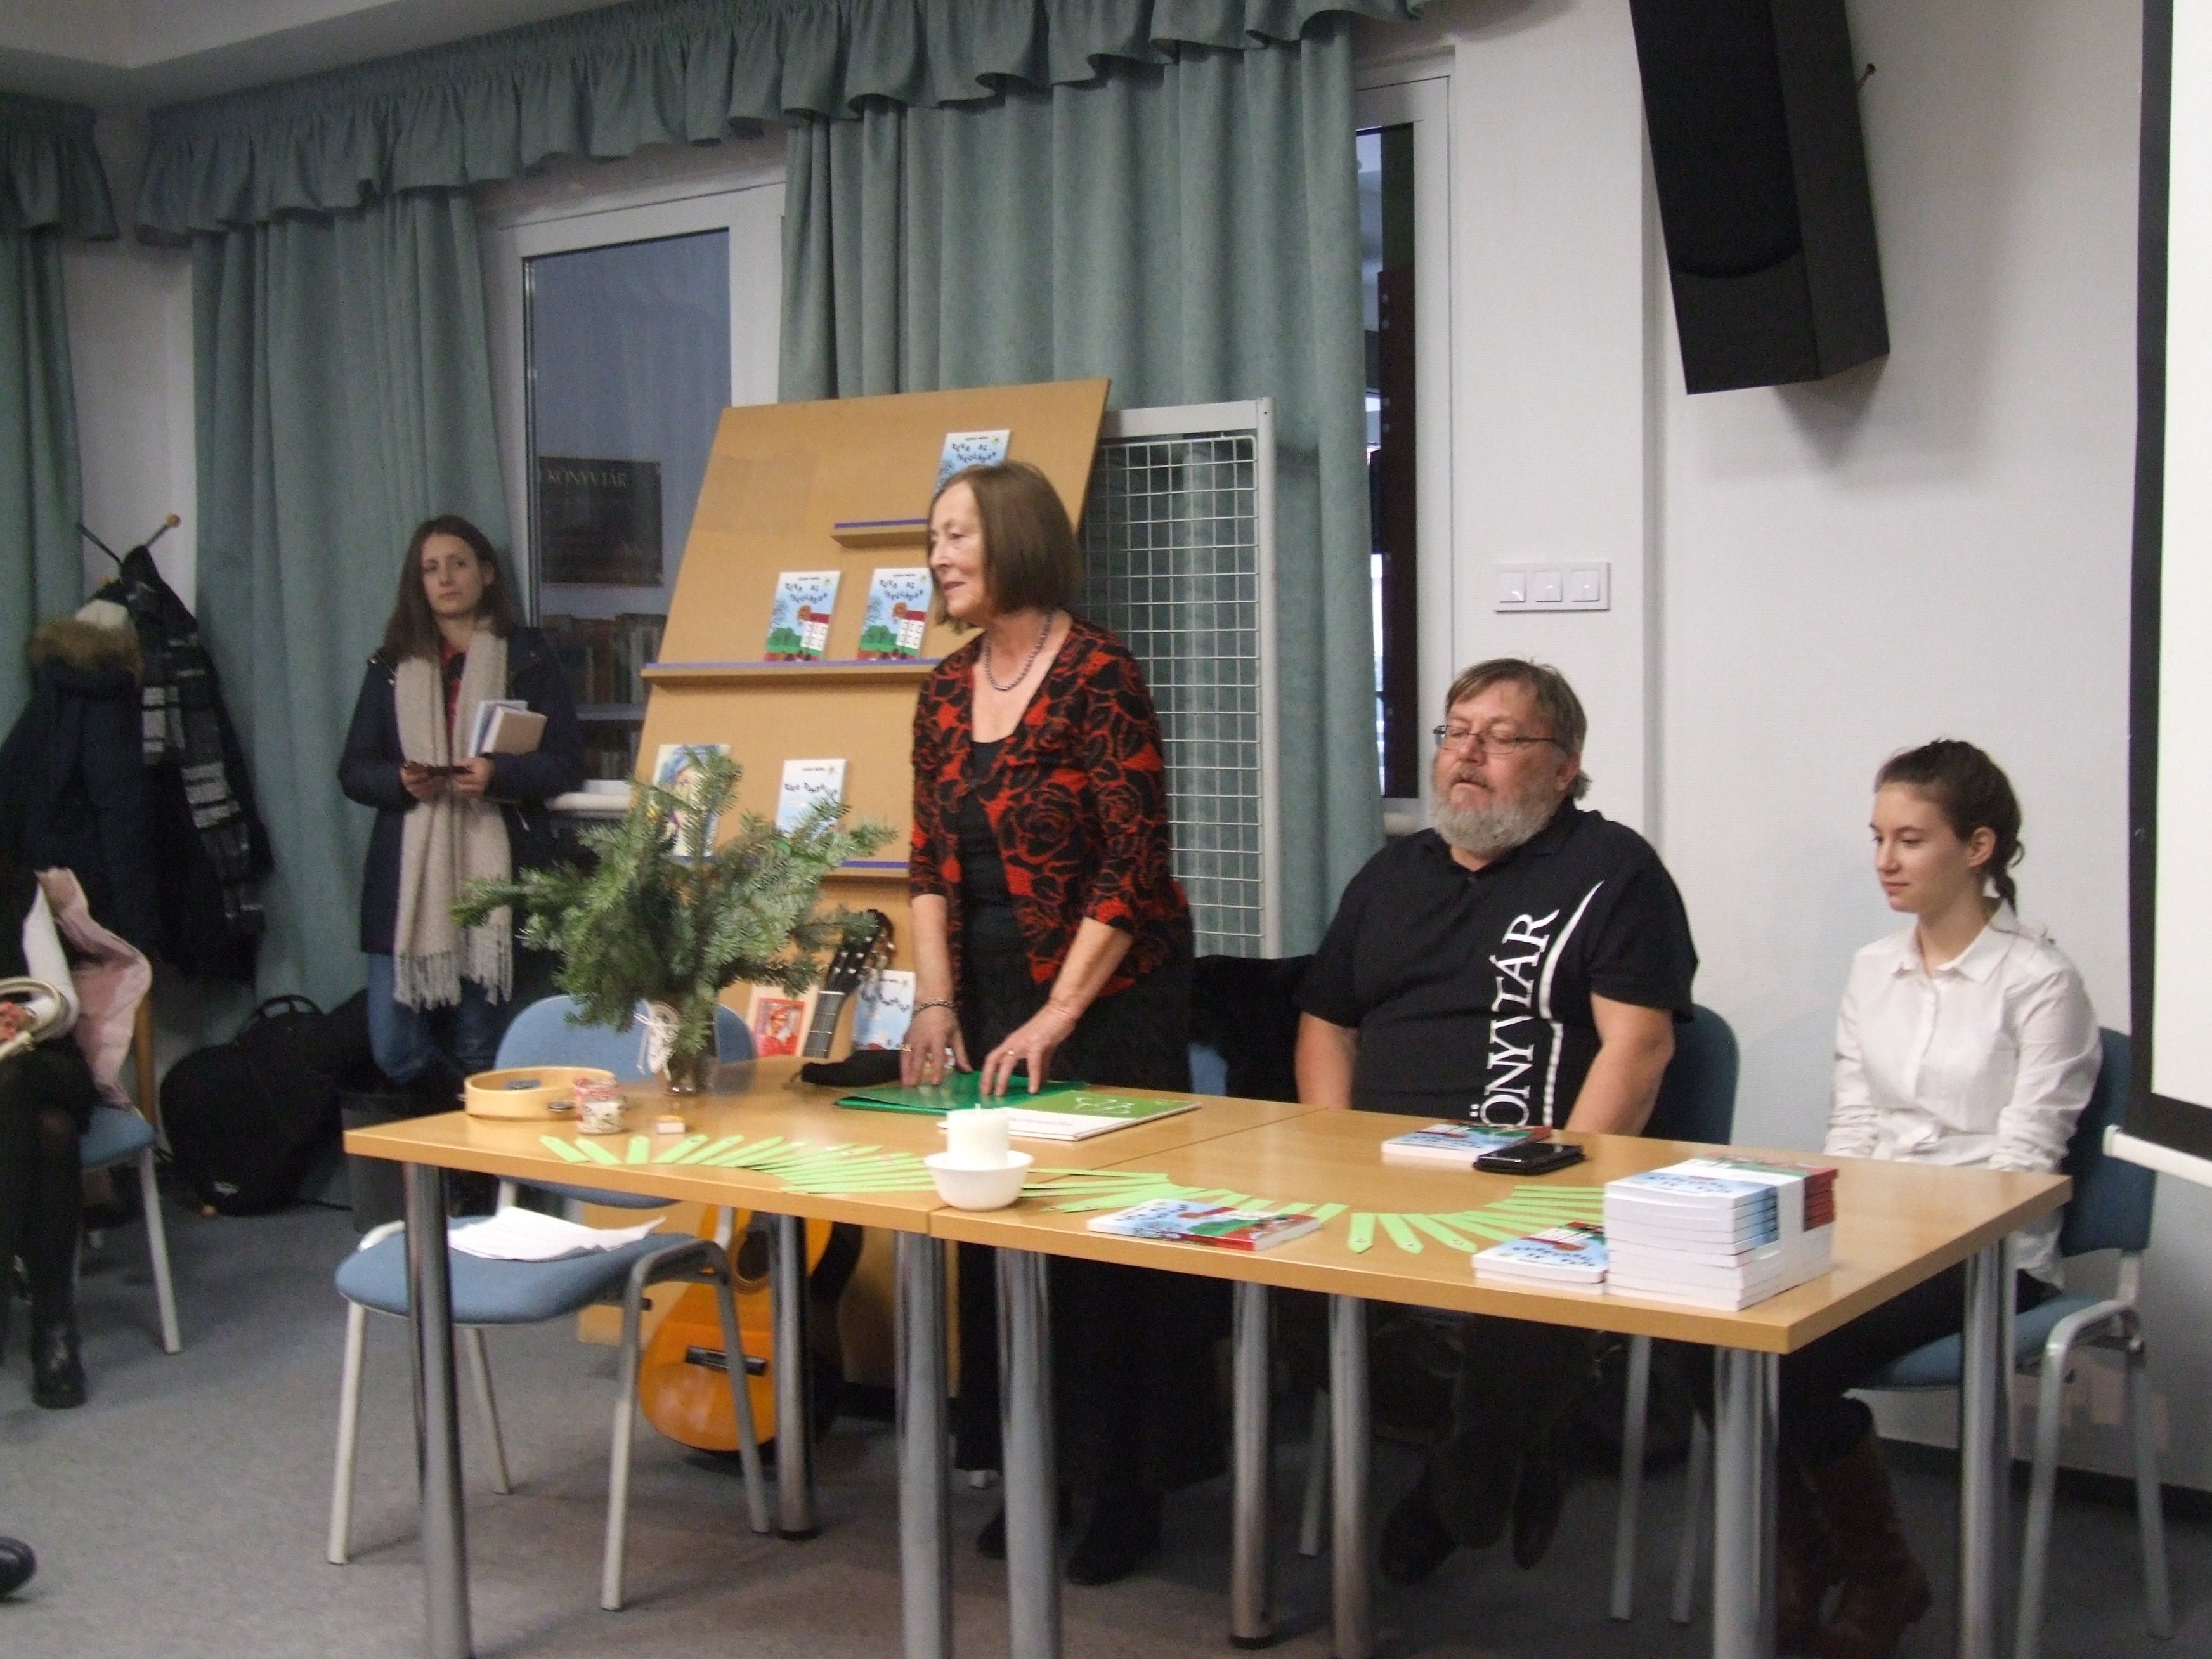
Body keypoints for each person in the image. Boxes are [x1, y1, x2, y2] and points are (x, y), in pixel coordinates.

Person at [1295, 658, 1698, 1584]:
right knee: (1276, 1296)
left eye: (1503, 737)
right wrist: (1330, 1152)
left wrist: (1565, 1179)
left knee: (1528, 1308)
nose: (1468, 753)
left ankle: (1465, 1483)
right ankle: (1514, 1438)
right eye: (1456, 732)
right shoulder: (1390, 874)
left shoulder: (1612, 871)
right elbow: (1326, 1024)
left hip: (1531, 1178)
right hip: (1378, 1176)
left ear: (1564, 768)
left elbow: (1639, 1047)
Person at [903, 459, 1208, 1585]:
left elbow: (1134, 866)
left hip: (1109, 997)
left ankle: (1127, 1488)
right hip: (988, 994)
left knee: (1104, 1248)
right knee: (998, 1227)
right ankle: (1034, 1469)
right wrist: (937, 998)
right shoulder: (943, 689)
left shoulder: (1099, 674)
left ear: (1016, 539)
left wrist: (1059, 1013)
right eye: (934, 538)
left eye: (955, 535)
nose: (938, 557)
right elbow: (926, 861)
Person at [1773, 741, 2097, 1659]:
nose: (1885, 860)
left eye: (1910, 840)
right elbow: (1852, 1128)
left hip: (1989, 1255)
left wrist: (1889, 1237)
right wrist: (1826, 1230)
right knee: (1706, 1336)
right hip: (1873, 1235)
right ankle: (1807, 1551)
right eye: (1877, 838)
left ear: (1977, 847)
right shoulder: (1873, 968)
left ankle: (1879, 1575)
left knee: (1789, 1360)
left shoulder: (2040, 982)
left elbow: (2023, 1165)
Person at [339, 516, 584, 1100]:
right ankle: (455, 1131)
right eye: (431, 569)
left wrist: (500, 774)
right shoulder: (391, 666)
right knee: (394, 1049)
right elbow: (354, 770)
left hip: (494, 874)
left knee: (479, 1046)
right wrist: (400, 780)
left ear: (487, 573)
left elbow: (565, 763)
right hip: (409, 879)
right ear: (418, 583)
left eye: (458, 564)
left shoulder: (529, 656)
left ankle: (476, 1152)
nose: (446, 578)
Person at [0, 850, 101, 1409]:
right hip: (32, 1104)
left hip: (41, 1062)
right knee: (52, 1133)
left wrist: (24, 1017)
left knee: (15, 1081)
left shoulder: (18, 886)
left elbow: (60, 1000)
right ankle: (54, 1326)